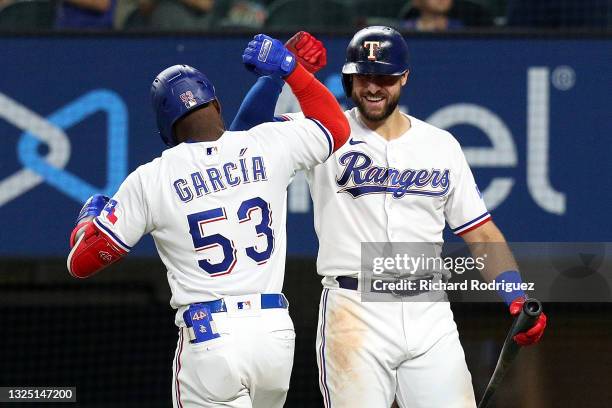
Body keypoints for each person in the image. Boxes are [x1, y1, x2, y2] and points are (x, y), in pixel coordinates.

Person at [229, 26, 547, 407]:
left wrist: (514, 293)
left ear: (404, 77)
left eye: (385, 77)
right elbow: (241, 139)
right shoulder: (324, 133)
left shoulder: (440, 145)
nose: (373, 87)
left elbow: (481, 234)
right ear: (349, 77)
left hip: (428, 310)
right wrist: (277, 75)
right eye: (363, 76)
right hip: (353, 308)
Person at [66, 34, 349, 407]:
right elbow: (335, 127)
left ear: (165, 129)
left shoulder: (151, 178)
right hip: (274, 335)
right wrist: (289, 71)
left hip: (210, 336)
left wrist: (88, 221)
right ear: (216, 104)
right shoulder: (268, 143)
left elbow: (81, 264)